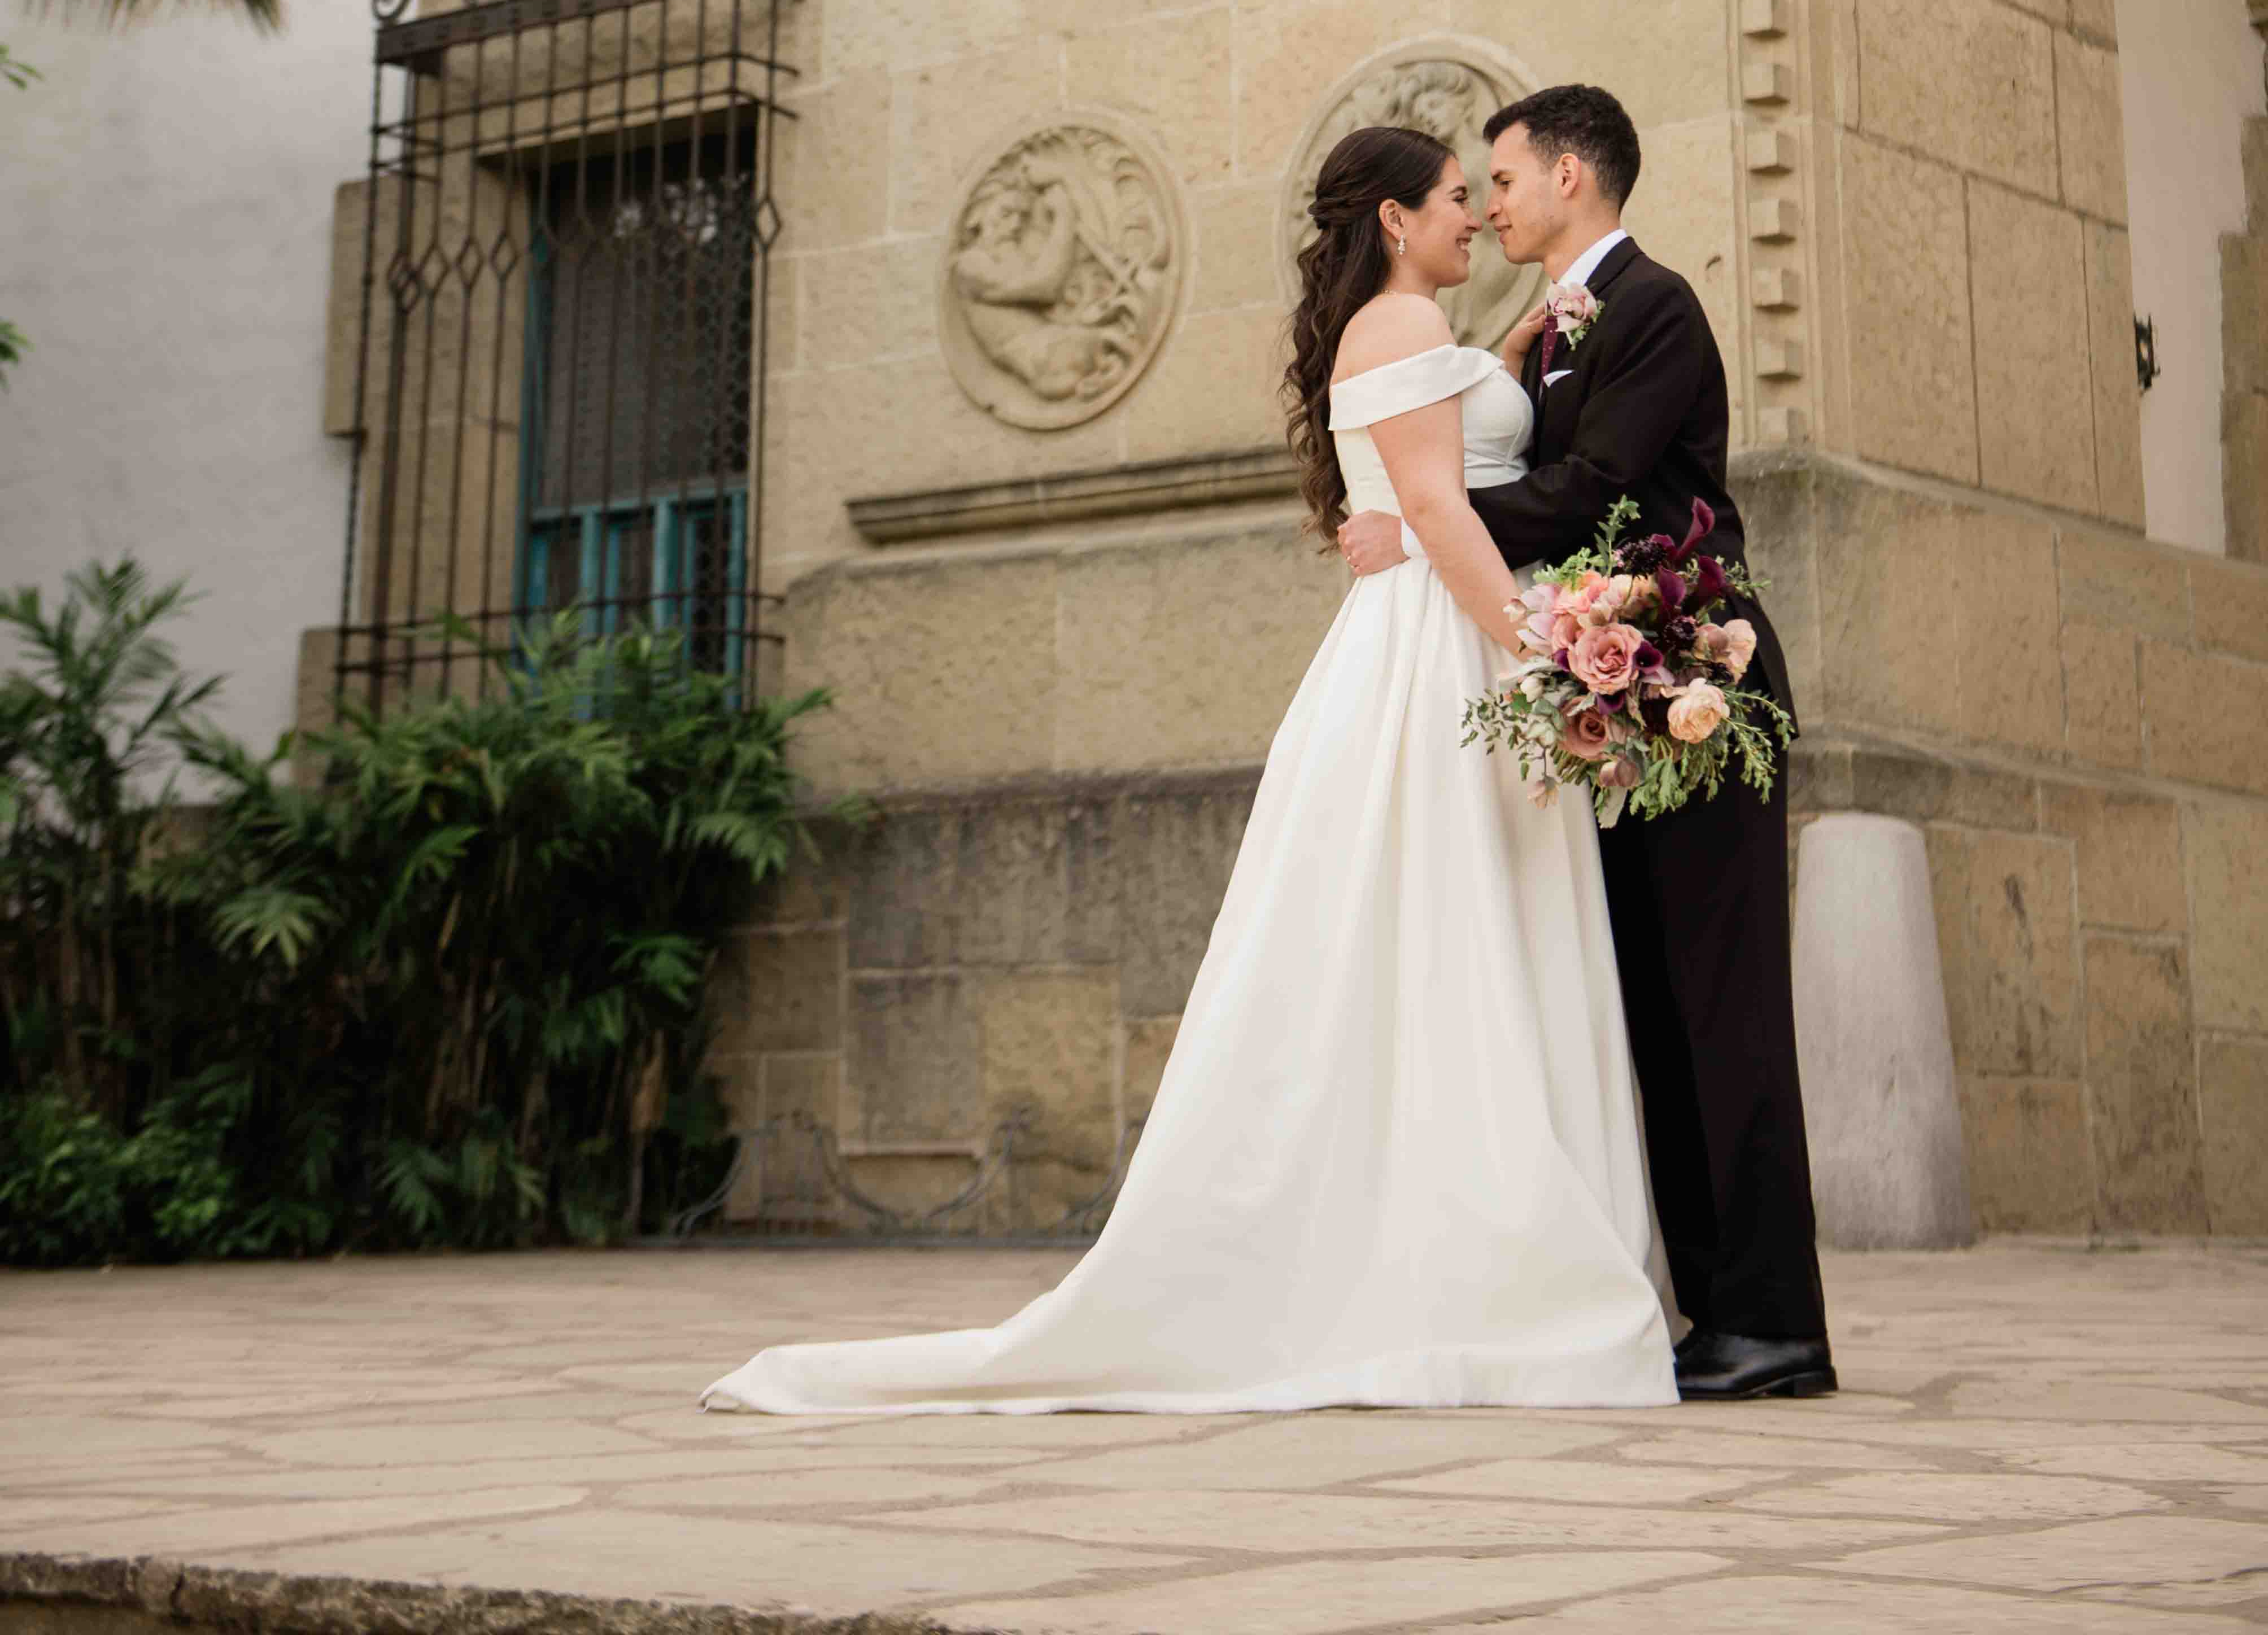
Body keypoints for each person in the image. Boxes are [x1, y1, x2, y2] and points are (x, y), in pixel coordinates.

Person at [700, 120, 1676, 1418]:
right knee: (1453, 933)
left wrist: (1508, 356)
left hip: (1441, 633)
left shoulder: (1418, 336)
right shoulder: (1393, 331)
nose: (1470, 216)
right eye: (1452, 197)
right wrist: (1544, 649)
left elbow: (1433, 450)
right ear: (1392, 220)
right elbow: (1438, 510)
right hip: (1445, 649)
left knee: (1468, 927)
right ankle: (1471, 1257)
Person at [1338, 82, 1834, 1404]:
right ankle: (1708, 1309)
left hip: (1703, 672)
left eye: (1502, 178)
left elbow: (1598, 491)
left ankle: (1774, 1319)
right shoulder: (1548, 332)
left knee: (1723, 1004)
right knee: (1650, 1008)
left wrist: (1424, 518)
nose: (1488, 202)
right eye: (1476, 187)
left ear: (1569, 175)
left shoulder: (1653, 302)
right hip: (1611, 685)